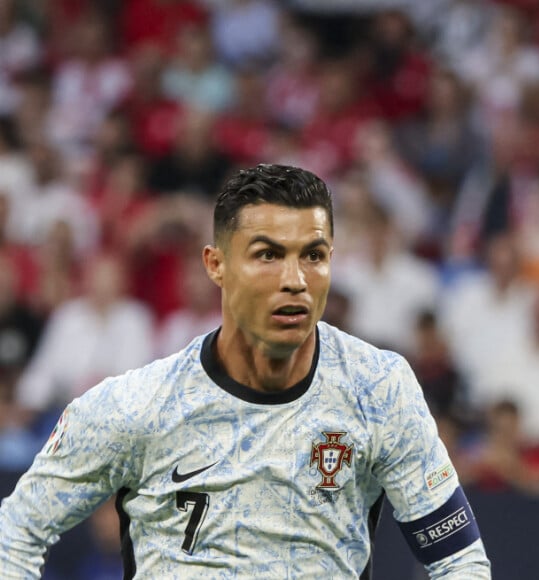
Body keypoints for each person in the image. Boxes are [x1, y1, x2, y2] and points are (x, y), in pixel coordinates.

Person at [0, 164, 491, 578]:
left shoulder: (377, 388)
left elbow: (459, 559)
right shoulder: (136, 407)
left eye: (313, 256)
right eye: (268, 255)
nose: (295, 280)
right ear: (216, 264)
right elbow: (15, 533)